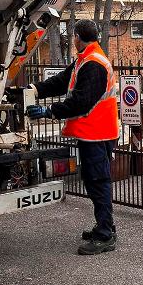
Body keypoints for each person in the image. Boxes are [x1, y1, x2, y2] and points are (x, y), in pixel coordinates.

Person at [25, 19, 119, 255]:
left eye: (73, 36)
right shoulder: (86, 59)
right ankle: (104, 225)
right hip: (94, 133)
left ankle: (105, 234)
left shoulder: (94, 64)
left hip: (98, 134)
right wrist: (36, 89)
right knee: (94, 180)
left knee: (98, 182)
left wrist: (49, 111)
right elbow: (62, 81)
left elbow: (81, 102)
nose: (72, 40)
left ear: (77, 37)